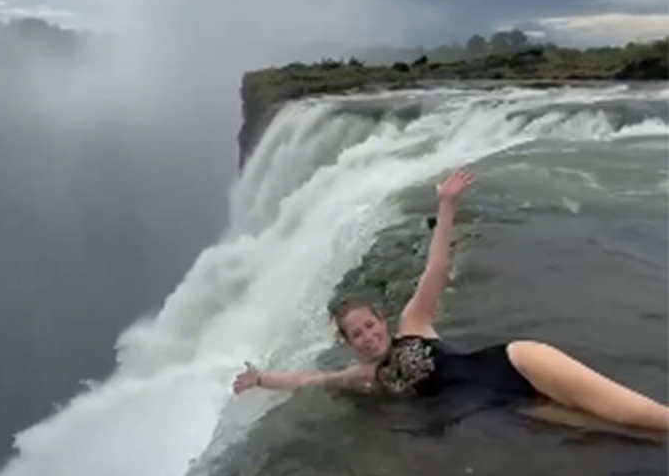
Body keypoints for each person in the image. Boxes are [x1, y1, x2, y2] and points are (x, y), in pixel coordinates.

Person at [233, 169, 669, 432]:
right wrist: (261, 380)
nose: (367, 337)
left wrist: (446, 205)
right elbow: (309, 380)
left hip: (519, 363)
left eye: (369, 326)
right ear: (347, 342)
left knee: (646, 417)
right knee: (627, 433)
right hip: (514, 406)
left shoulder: (413, 323)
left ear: (381, 319)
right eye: (356, 335)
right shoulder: (365, 376)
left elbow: (436, 268)